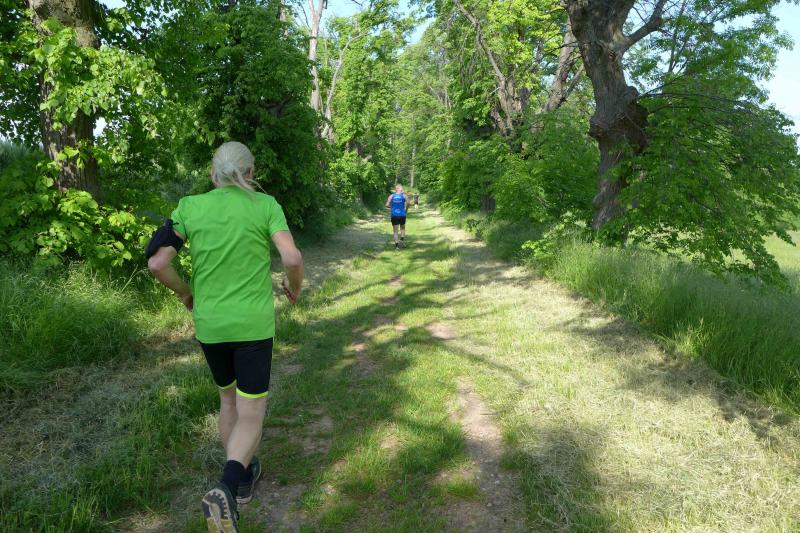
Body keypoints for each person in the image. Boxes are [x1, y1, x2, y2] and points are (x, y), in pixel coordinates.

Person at [146, 141, 304, 533]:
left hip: (211, 325)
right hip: (252, 326)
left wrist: (185, 293)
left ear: (213, 174)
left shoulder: (190, 207)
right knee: (252, 412)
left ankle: (245, 478)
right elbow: (292, 258)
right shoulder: (265, 205)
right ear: (250, 173)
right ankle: (228, 486)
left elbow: (157, 262)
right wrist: (294, 286)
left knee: (228, 399)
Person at [385, 184, 408, 249]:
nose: (402, 190)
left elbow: (387, 205)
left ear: (396, 190)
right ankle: (402, 240)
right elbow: (408, 203)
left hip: (394, 215)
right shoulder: (404, 196)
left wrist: (392, 207)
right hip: (402, 214)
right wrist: (406, 210)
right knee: (402, 228)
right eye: (402, 189)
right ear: (399, 189)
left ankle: (397, 246)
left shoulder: (391, 196)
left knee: (395, 231)